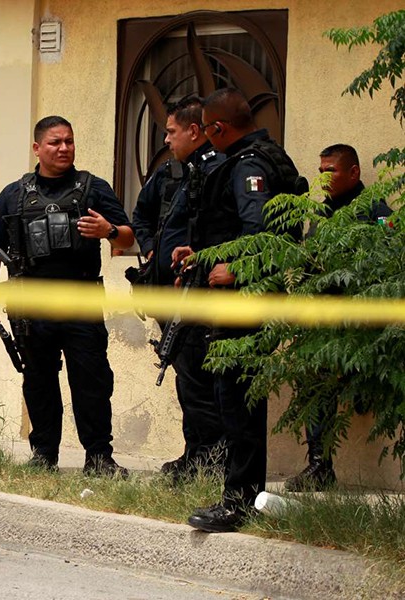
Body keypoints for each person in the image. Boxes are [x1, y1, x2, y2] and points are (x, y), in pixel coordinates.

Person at [173, 88, 304, 532]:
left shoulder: (248, 164)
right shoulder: (269, 155)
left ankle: (238, 502)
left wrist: (235, 269)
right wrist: (206, 255)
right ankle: (242, 495)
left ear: (217, 129)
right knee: (239, 398)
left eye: (208, 133)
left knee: (237, 400)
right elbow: (238, 229)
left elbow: (260, 228)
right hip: (251, 294)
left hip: (243, 299)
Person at [0, 115, 134, 476]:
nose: (64, 148)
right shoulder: (13, 194)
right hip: (31, 306)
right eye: (55, 142)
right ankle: (44, 456)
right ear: (37, 148)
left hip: (81, 300)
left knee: (91, 381)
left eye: (69, 141)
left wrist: (109, 230)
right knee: (38, 381)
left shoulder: (93, 187)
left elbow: (128, 237)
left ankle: (99, 458)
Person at [284, 144, 392, 492]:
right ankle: (319, 466)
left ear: (354, 173)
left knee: (359, 393)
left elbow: (387, 265)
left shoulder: (374, 210)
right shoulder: (322, 212)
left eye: (330, 171)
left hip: (358, 325)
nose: (324, 178)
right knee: (315, 390)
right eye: (320, 172)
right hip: (321, 323)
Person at [131, 96, 226, 480]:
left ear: (193, 130)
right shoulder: (172, 174)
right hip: (169, 294)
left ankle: (211, 458)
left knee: (201, 380)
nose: (166, 140)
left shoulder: (215, 170)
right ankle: (196, 453)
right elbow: (141, 217)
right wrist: (154, 251)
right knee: (186, 379)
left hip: (199, 294)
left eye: (171, 132)